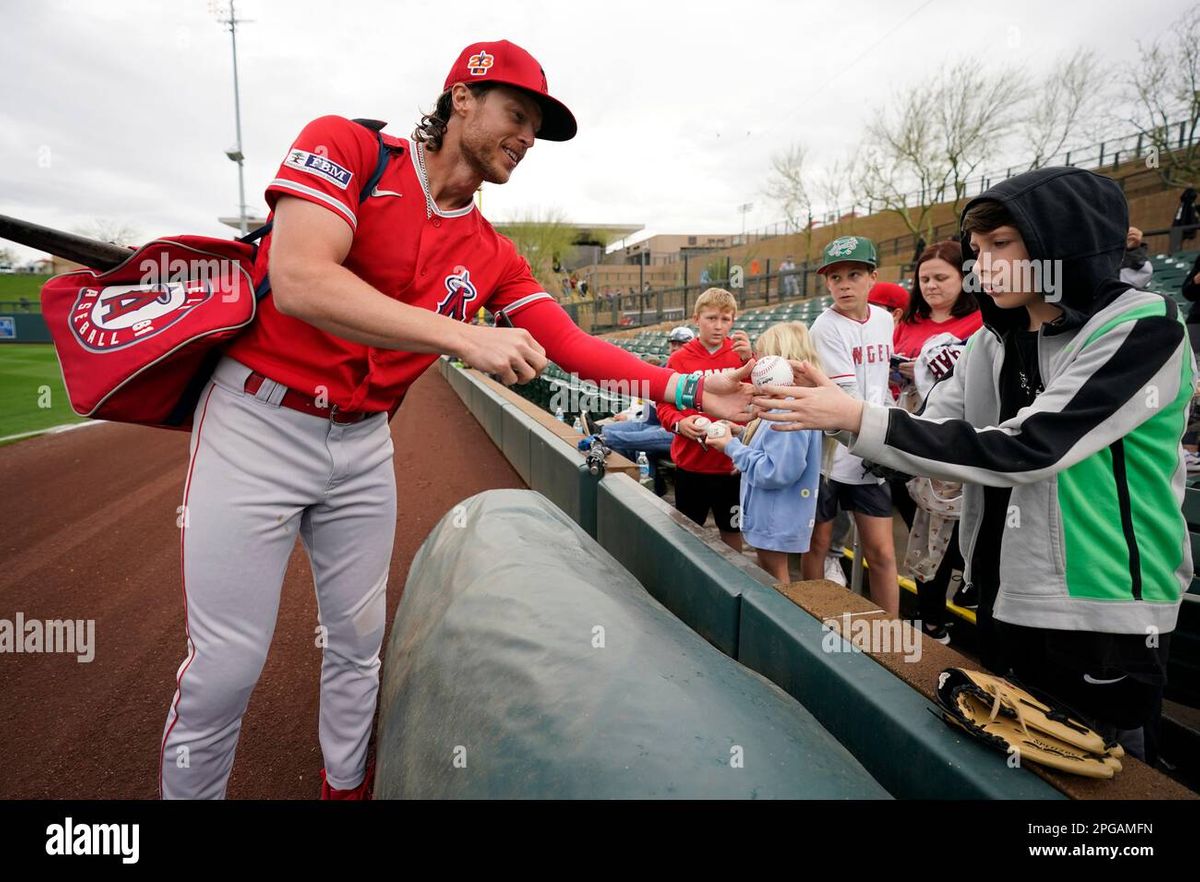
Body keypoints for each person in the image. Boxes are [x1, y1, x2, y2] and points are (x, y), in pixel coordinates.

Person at [159, 39, 757, 801]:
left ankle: (344, 789)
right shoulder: (347, 146)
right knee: (226, 664)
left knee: (358, 643)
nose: (527, 137)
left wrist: (688, 392)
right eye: (518, 114)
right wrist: (463, 333)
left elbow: (567, 343)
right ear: (461, 99)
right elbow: (302, 278)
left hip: (363, 440)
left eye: (536, 127)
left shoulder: (492, 251)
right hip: (257, 420)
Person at [754, 167, 1193, 759]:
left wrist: (856, 416)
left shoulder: (1144, 325)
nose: (981, 265)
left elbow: (1030, 447)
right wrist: (831, 410)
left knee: (1103, 785)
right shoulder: (992, 338)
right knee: (1010, 768)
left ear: (1059, 242)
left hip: (1105, 613)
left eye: (1002, 244)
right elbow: (939, 428)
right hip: (1002, 594)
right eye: (977, 250)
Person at [890, 240, 983, 642]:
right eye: (924, 278)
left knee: (946, 531)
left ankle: (959, 594)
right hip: (904, 437)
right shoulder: (908, 322)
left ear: (964, 277)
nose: (930, 285)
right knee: (922, 530)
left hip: (951, 442)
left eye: (941, 277)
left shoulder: (979, 321)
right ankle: (933, 620)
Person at [802, 236, 900, 617]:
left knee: (882, 551)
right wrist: (883, 440)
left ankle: (891, 632)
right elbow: (846, 398)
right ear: (827, 283)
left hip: (870, 443)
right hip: (832, 451)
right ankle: (811, 615)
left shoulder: (883, 319)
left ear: (873, 277)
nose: (844, 284)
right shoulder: (824, 327)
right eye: (835, 276)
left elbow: (878, 384)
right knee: (819, 542)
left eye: (854, 274)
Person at [706, 322, 823, 583]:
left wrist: (730, 447)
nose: (757, 364)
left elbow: (777, 472)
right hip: (771, 514)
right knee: (769, 574)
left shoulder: (788, 407)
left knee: (775, 583)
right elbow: (770, 446)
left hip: (775, 516)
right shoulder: (785, 403)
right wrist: (738, 433)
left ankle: (783, 625)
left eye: (764, 357)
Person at [657, 288, 753, 551]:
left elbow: (758, 403)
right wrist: (679, 423)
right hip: (691, 465)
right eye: (711, 318)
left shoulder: (742, 358)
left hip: (730, 466)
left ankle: (735, 587)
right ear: (696, 318)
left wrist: (752, 361)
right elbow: (664, 405)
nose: (718, 326)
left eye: (725, 319)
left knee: (732, 535)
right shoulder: (679, 359)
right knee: (688, 537)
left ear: (734, 320)